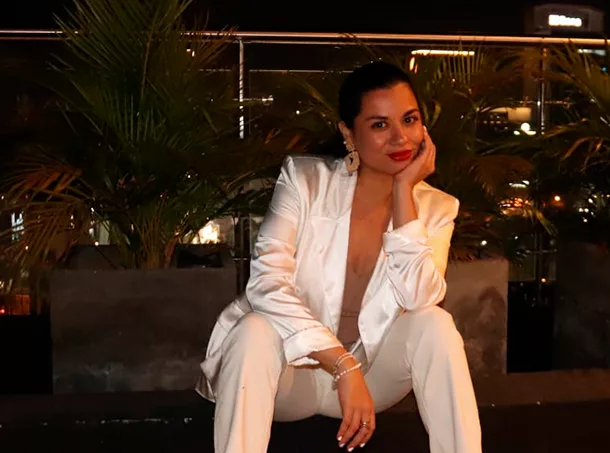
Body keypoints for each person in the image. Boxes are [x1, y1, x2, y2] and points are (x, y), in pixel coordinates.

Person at [196, 61, 482, 453]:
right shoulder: (305, 182)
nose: (400, 137)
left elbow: (419, 298)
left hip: (373, 377)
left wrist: (404, 194)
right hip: (293, 371)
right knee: (253, 330)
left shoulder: (436, 208)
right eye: (379, 124)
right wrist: (342, 365)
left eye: (409, 120)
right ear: (348, 133)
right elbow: (266, 283)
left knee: (435, 324)